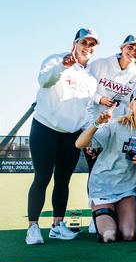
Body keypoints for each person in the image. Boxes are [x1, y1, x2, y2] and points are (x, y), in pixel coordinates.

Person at [26, 28, 99, 245]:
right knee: (42, 177)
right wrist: (62, 66)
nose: (87, 47)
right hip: (45, 128)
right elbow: (44, 81)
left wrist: (90, 139)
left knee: (63, 181)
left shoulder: (90, 79)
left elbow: (86, 111)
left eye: (92, 44)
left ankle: (57, 225)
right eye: (84, 42)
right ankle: (33, 227)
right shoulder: (56, 59)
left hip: (72, 135)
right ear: (75, 43)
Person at [76, 88, 136, 243]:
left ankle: (117, 218)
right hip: (103, 186)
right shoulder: (115, 125)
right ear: (131, 106)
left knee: (129, 235)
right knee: (109, 236)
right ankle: (102, 218)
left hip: (127, 189)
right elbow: (80, 143)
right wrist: (97, 123)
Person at [87, 34, 136, 122]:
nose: (133, 52)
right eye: (130, 47)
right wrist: (99, 99)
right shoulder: (100, 64)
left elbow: (134, 106)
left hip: (116, 126)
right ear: (122, 48)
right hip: (90, 121)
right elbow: (83, 89)